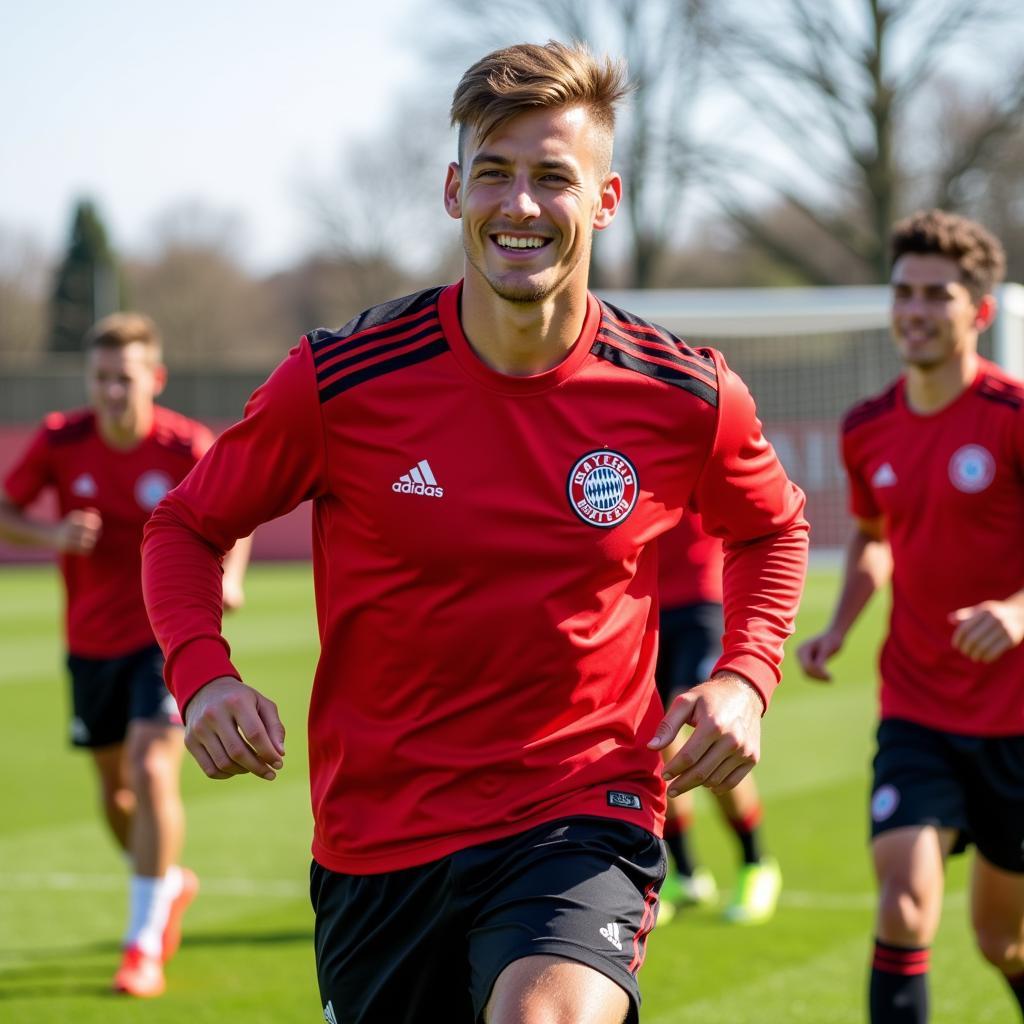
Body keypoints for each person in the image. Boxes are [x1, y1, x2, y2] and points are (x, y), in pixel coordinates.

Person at [141, 41, 808, 1024]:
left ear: (606, 198)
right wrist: (203, 674)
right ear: (455, 189)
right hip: (378, 842)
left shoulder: (684, 393)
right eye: (494, 173)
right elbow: (187, 525)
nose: (521, 205)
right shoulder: (342, 382)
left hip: (582, 815)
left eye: (553, 178)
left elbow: (774, 529)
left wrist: (746, 676)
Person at [797, 208, 1024, 1023]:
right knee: (902, 903)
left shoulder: (1012, 416)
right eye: (904, 292)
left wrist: (1016, 610)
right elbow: (870, 535)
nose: (916, 310)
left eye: (937, 294)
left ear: (980, 312)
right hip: (918, 707)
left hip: (1015, 720)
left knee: (1003, 941)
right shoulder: (867, 428)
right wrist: (842, 622)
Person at [0, 312, 251, 998]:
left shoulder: (184, 445)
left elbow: (240, 511)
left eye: (126, 379)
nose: (112, 392)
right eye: (101, 379)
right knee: (113, 794)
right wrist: (49, 534)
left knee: (150, 768)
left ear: (154, 379)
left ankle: (141, 944)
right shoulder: (60, 441)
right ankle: (168, 885)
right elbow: (4, 508)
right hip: (88, 643)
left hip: (161, 636)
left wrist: (228, 578)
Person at [655, 510, 781, 926]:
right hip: (642, 605)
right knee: (653, 741)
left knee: (702, 730)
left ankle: (755, 862)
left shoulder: (696, 443)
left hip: (701, 601)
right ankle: (688, 873)